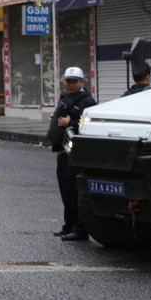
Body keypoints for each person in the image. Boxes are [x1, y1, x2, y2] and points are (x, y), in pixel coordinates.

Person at [44, 66, 97, 242]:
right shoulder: (66, 97)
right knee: (65, 191)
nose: (71, 84)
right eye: (68, 81)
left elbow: (91, 123)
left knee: (75, 192)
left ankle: (80, 230)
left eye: (75, 81)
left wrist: (71, 122)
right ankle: (68, 226)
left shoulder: (87, 101)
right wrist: (55, 118)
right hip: (62, 150)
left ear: (82, 81)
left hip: (76, 153)